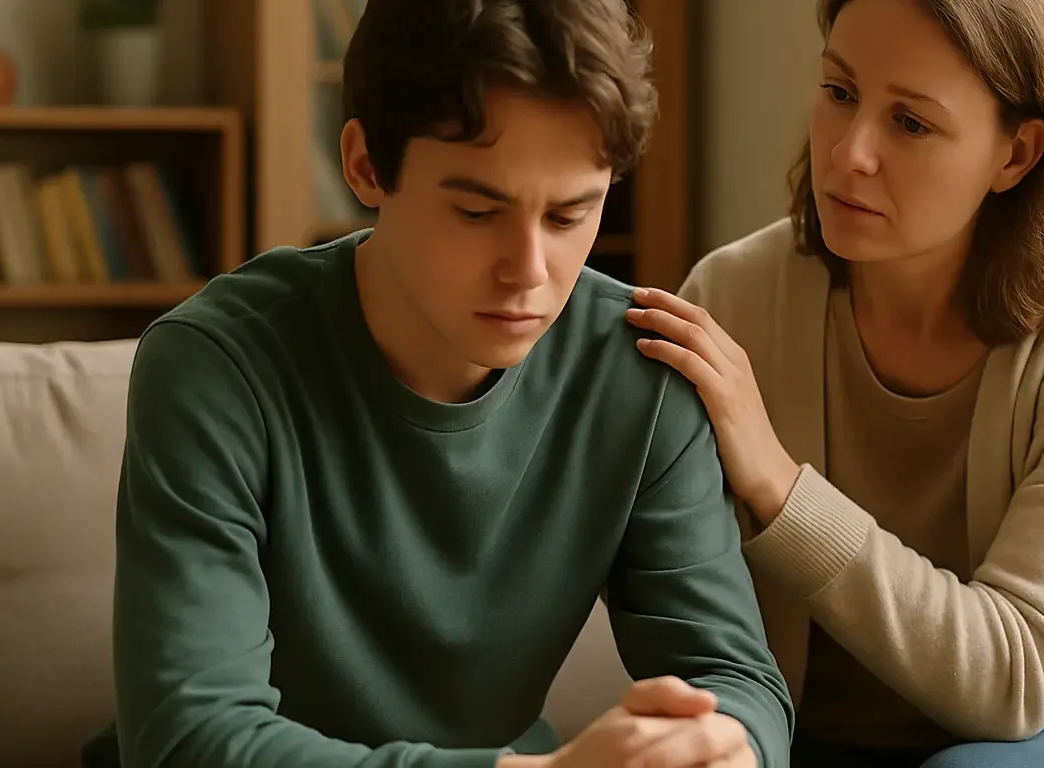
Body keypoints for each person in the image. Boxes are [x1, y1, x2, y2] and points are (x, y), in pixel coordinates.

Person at [85, 1, 793, 767]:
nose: (528, 272)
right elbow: (187, 740)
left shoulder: (643, 371)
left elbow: (738, 681)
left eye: (568, 216)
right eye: (476, 211)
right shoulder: (215, 366)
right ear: (365, 165)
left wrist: (721, 748)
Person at [624, 0, 1044, 766]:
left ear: (1017, 155)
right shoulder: (733, 295)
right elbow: (681, 612)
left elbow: (1016, 681)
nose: (849, 153)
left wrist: (778, 484)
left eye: (910, 123)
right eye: (839, 92)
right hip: (801, 739)